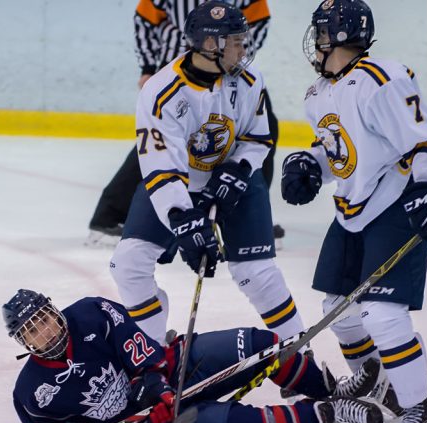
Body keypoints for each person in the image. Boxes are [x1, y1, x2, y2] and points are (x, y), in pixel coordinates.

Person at [280, 0, 427, 423]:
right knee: (337, 307)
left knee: (383, 314)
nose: (314, 43)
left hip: (395, 203)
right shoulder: (318, 93)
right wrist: (311, 163)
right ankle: (378, 379)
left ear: (337, 36)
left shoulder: (382, 79)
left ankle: (420, 410)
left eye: (320, 33)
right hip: (351, 210)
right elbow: (343, 148)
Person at [109, 1, 303, 351]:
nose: (245, 48)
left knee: (256, 274)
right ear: (211, 45)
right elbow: (161, 165)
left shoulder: (249, 79)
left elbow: (258, 138)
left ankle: (300, 355)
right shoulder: (160, 91)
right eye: (237, 42)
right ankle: (153, 354)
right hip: (177, 185)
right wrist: (184, 218)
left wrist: (237, 171)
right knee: (129, 262)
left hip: (237, 183)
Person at [3, 289, 384, 423]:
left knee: (263, 345)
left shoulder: (91, 312)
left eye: (45, 319)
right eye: (33, 330)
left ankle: (330, 391)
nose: (46, 331)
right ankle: (329, 414)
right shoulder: (32, 391)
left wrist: (155, 386)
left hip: (174, 367)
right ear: (24, 341)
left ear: (55, 311)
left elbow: (142, 355)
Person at [86, 0, 285, 249]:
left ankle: (249, 216)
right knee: (160, 149)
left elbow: (259, 17)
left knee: (257, 132)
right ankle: (109, 216)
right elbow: (145, 19)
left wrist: (234, 48)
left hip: (226, 71)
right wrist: (148, 67)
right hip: (180, 72)